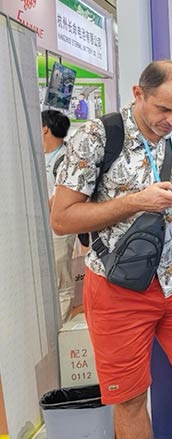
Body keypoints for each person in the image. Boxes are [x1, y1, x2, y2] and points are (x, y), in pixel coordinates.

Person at [50, 60, 172, 439]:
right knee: (130, 397)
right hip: (118, 288)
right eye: (164, 109)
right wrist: (135, 202)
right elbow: (61, 219)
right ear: (138, 94)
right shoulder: (97, 137)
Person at [42, 109, 75, 321]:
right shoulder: (39, 157)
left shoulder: (65, 159)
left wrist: (38, 210)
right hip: (41, 229)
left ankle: (60, 329)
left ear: (45, 129)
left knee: (61, 281)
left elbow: (61, 196)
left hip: (58, 231)